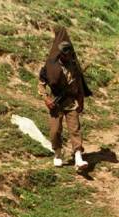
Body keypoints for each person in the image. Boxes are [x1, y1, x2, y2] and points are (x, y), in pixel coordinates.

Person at [38, 29, 91, 170]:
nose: (69, 57)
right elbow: (41, 84)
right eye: (66, 54)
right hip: (55, 103)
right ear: (61, 54)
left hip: (71, 102)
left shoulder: (74, 66)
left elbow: (79, 84)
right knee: (55, 131)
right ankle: (58, 153)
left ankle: (78, 157)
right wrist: (46, 99)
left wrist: (81, 101)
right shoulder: (50, 67)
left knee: (75, 129)